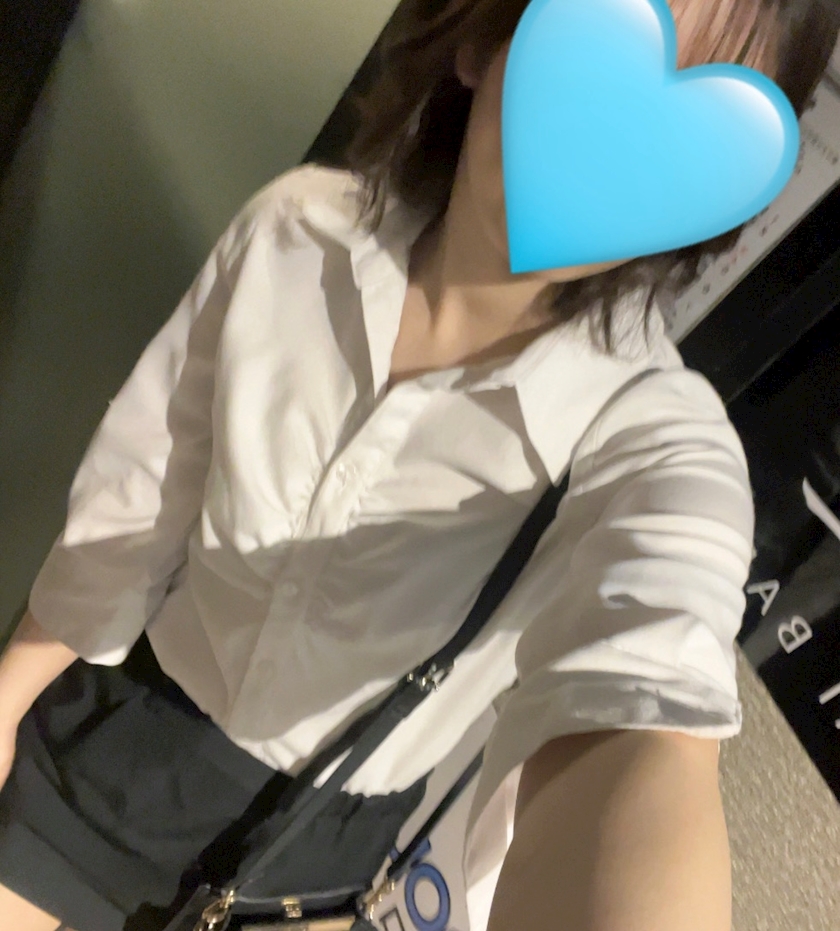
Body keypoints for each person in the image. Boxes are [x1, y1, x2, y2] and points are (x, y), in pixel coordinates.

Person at [1, 0, 838, 929]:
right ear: (485, 42)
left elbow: (653, 706)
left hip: (302, 853)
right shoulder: (299, 230)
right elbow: (142, 497)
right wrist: (6, 697)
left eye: (673, 146)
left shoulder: (651, 436)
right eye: (587, 68)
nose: (605, 156)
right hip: (113, 744)